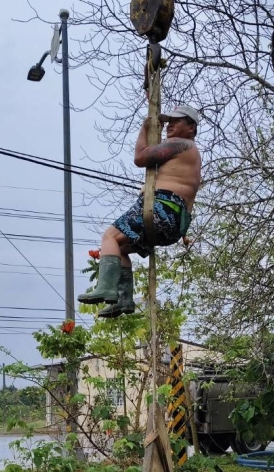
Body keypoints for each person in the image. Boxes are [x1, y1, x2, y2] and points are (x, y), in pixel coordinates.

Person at [78, 105, 202, 317]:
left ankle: (105, 287)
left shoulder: (181, 144)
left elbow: (141, 157)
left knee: (110, 236)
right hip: (172, 225)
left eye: (176, 121)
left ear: (191, 128)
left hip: (162, 208)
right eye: (169, 121)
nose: (170, 125)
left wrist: (144, 129)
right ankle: (125, 300)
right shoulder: (190, 152)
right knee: (122, 248)